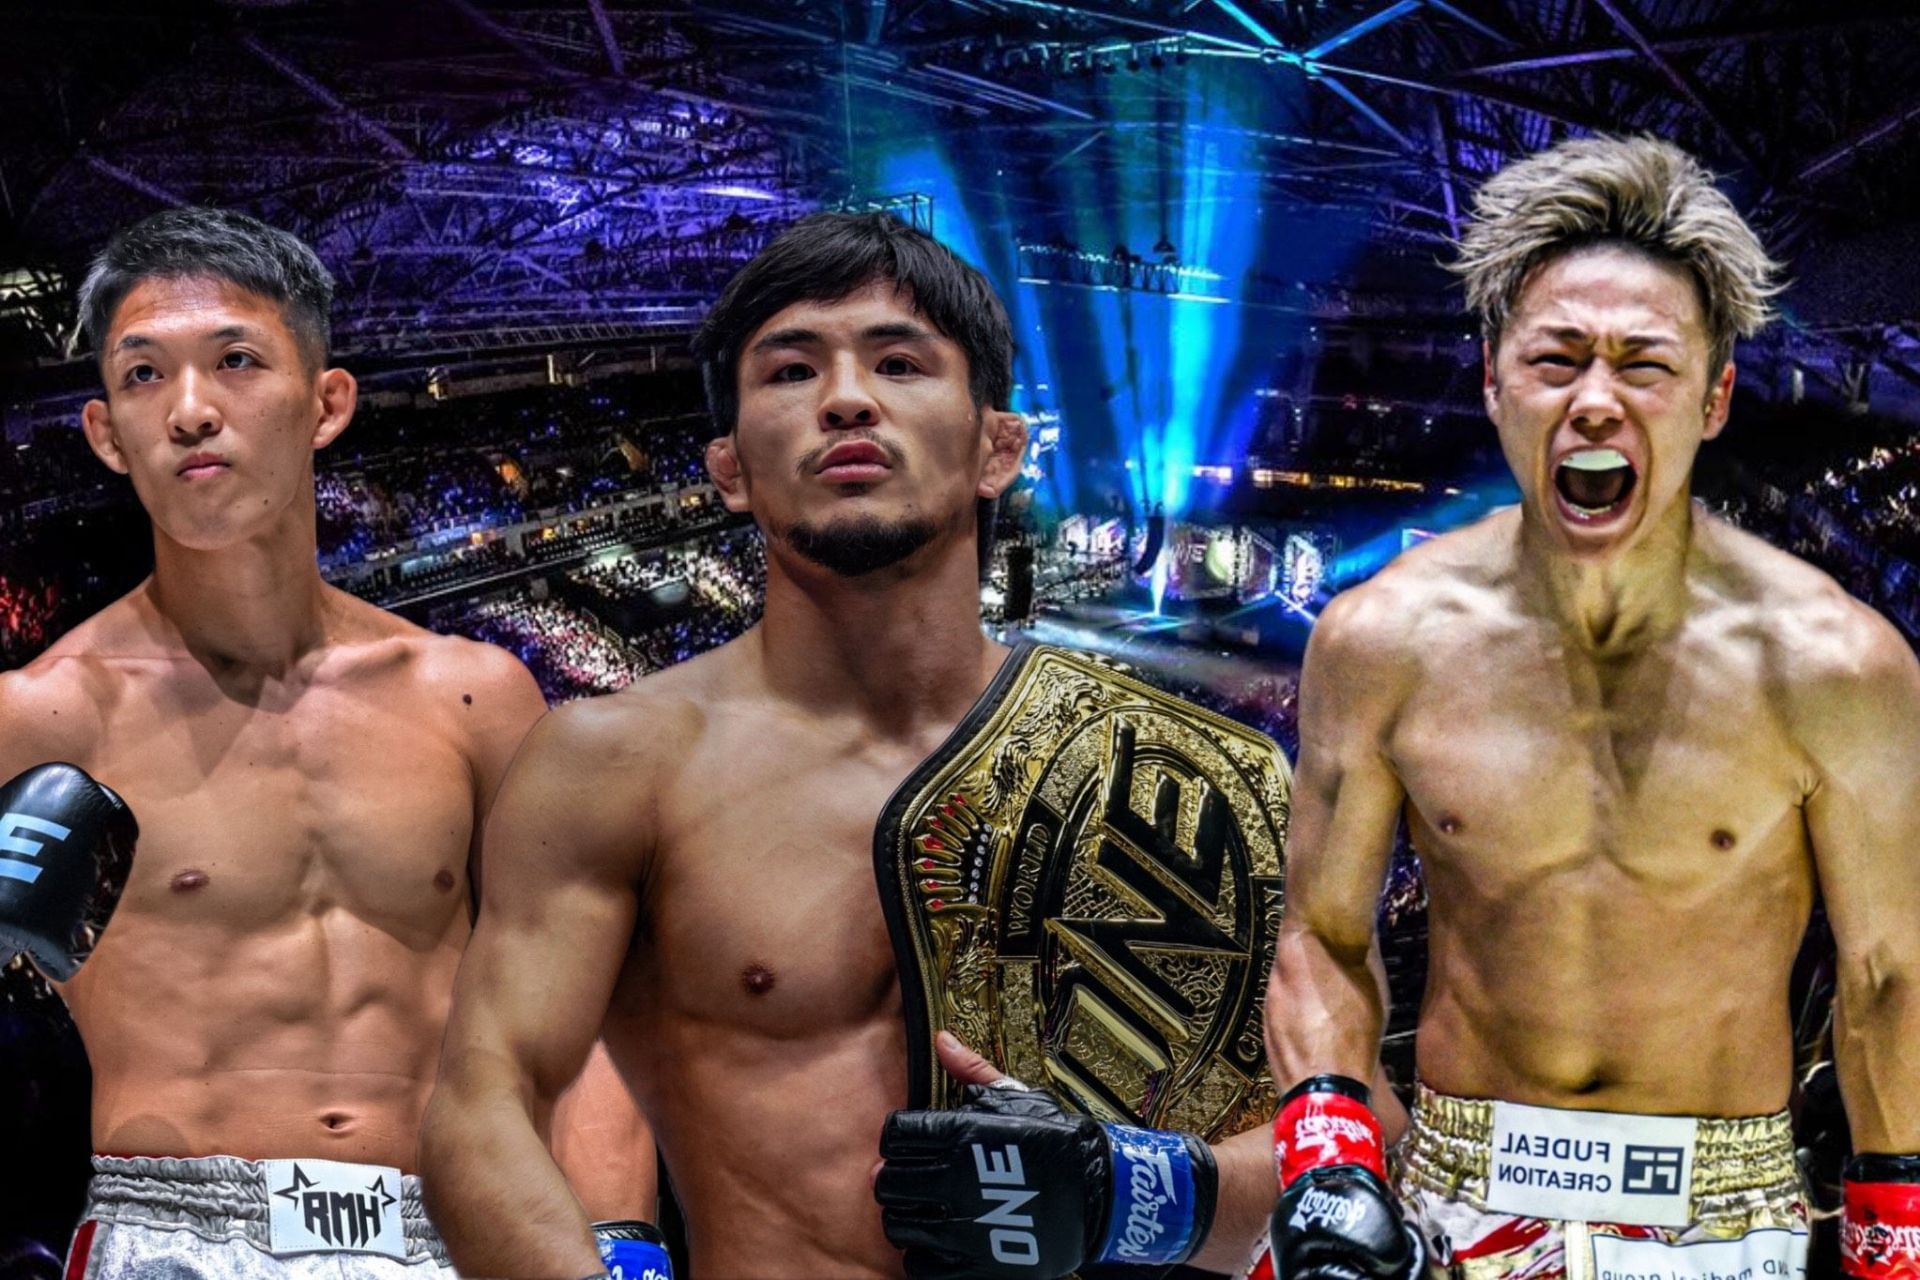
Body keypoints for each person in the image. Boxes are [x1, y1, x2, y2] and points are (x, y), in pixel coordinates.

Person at [420, 211, 1284, 1279]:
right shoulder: (614, 763)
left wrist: (1128, 1190)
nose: (845, 397)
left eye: (899, 360)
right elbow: (481, 1101)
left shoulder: (1188, 774)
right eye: (791, 370)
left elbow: (1341, 1140)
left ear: (998, 444)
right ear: (730, 468)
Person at [1260, 135, 1920, 1280]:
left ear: (1714, 397)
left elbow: (1883, 980)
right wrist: (1328, 1155)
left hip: (1720, 1210)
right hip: (1460, 1193)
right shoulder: (1381, 641)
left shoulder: (1835, 663)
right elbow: (1321, 932)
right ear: (1492, 377)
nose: (1596, 401)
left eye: (1643, 365)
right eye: (1558, 358)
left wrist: (1891, 1250)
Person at [0, 207, 653, 1278]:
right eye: (145, 375)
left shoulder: (471, 696)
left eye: (238, 360)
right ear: (107, 433)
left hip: (457, 1222)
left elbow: (582, 1006)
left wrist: (622, 1247)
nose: (192, 411)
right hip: (179, 1236)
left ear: (326, 401)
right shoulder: (42, 715)